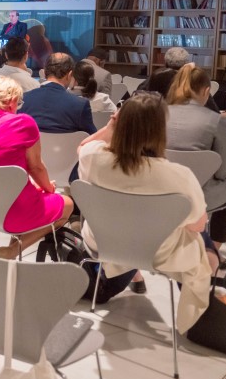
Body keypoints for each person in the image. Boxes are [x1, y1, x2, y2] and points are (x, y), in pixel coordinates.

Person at [77, 92, 211, 332]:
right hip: (159, 252)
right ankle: (203, 319)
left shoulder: (94, 159)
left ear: (119, 123)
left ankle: (127, 273)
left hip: (105, 241)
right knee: (203, 240)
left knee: (130, 232)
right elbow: (198, 225)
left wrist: (110, 126)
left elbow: (83, 146)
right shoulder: (179, 176)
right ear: (161, 131)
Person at [0, 76, 73, 258]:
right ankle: (12, 252)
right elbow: (36, 168)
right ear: (12, 100)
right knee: (67, 204)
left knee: (30, 193)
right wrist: (48, 188)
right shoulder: (23, 123)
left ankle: (9, 256)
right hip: (11, 211)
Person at [165, 63, 226, 259]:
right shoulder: (216, 120)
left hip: (163, 188)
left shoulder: (160, 113)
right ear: (207, 91)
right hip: (200, 191)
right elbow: (223, 171)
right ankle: (211, 252)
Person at [19, 53, 96, 134]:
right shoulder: (80, 105)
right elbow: (92, 136)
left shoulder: (23, 99)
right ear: (70, 75)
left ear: (44, 73)